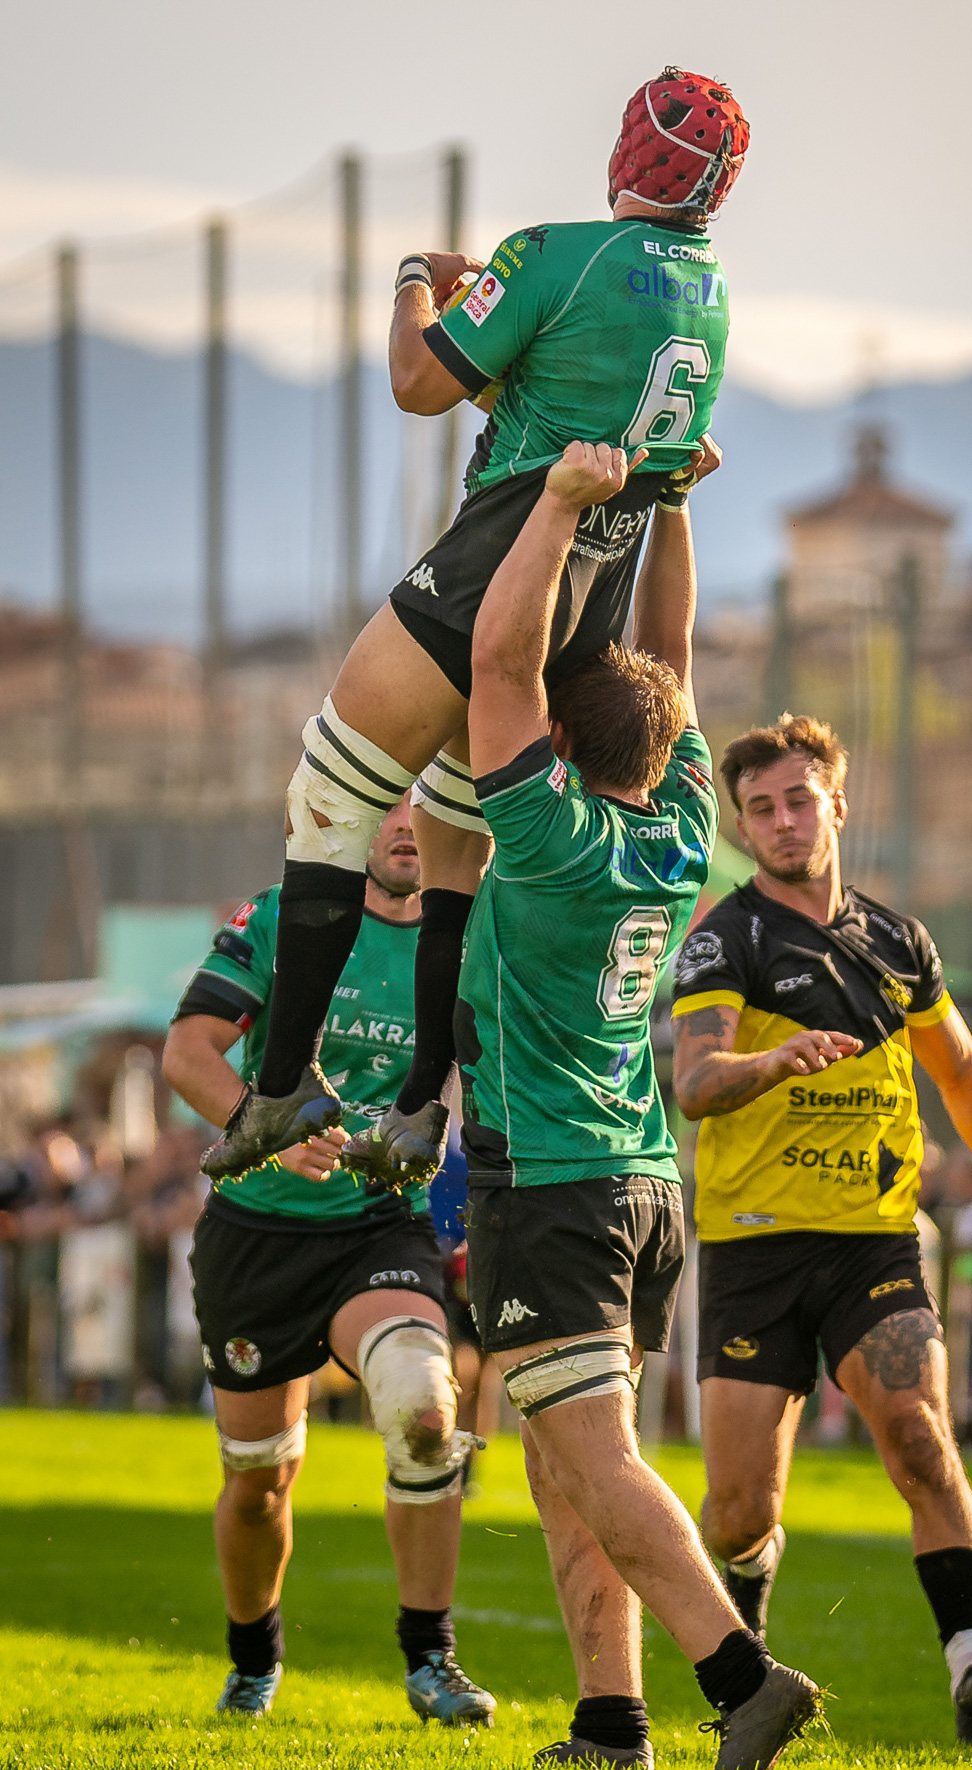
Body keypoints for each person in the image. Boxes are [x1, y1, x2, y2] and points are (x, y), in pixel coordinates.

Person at [200, 68, 750, 1187]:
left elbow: (418, 382)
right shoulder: (711, 296)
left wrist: (419, 281)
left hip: (492, 571)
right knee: (455, 847)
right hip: (586, 618)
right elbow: (558, 400)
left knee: (330, 799)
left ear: (628, 152)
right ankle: (420, 1106)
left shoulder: (554, 253)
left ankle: (284, 1078)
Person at [454, 437, 824, 1770]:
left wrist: (561, 503)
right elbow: (666, 660)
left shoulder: (548, 835)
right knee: (564, 1462)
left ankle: (743, 1677)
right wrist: (666, 506)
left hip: (554, 1180)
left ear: (558, 742)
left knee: (594, 1458)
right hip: (643, 1178)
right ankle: (611, 1724)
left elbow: (500, 662)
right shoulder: (678, 830)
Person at [669, 713, 972, 1745]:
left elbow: (963, 1075)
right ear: (743, 827)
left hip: (874, 1242)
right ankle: (752, 1652)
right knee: (738, 1512)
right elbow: (696, 1082)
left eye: (799, 800)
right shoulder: (726, 938)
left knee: (922, 1441)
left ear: (838, 806)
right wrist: (771, 1061)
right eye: (760, 809)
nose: (782, 821)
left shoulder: (899, 942)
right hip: (754, 1246)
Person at [161, 800, 494, 1725]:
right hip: (256, 1236)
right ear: (346, 817)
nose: (408, 822)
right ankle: (253, 1660)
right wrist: (258, 1128)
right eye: (388, 802)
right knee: (259, 1480)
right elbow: (186, 1052)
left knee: (425, 1409)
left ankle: (431, 1660)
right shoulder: (283, 916)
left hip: (378, 1225)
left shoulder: (468, 935)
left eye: (428, 802)